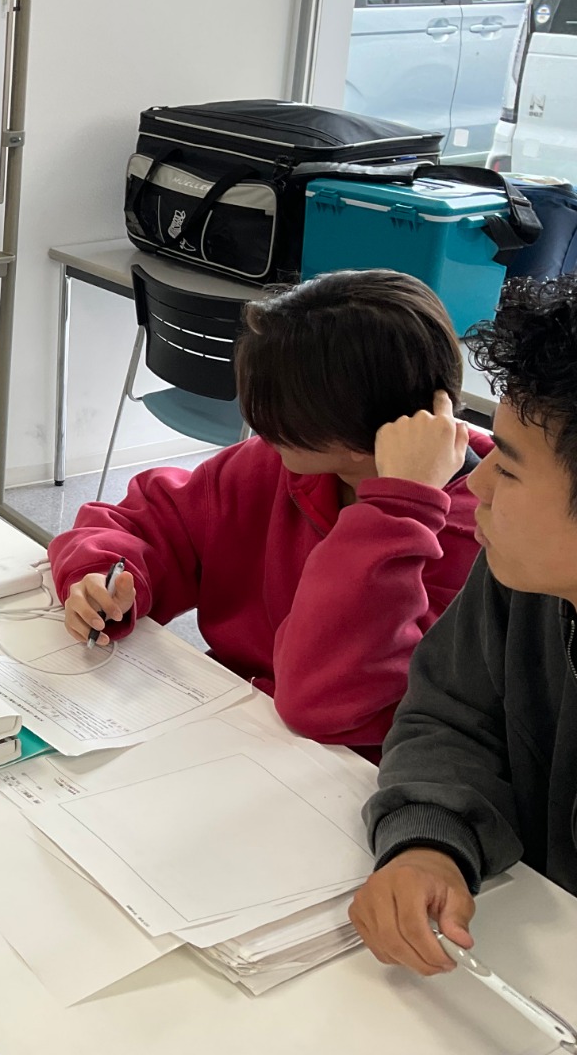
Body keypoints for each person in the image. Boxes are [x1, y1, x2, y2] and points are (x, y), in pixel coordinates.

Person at [47, 270, 490, 753]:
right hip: (236, 720)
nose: (258, 423)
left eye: (283, 413)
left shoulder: (484, 530)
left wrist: (397, 511)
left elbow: (329, 703)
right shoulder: (281, 462)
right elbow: (147, 522)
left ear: (356, 431)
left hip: (353, 764)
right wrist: (102, 572)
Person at [351, 275, 577, 976]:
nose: (474, 483)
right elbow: (450, 714)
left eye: (507, 470)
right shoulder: (526, 574)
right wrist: (430, 840)